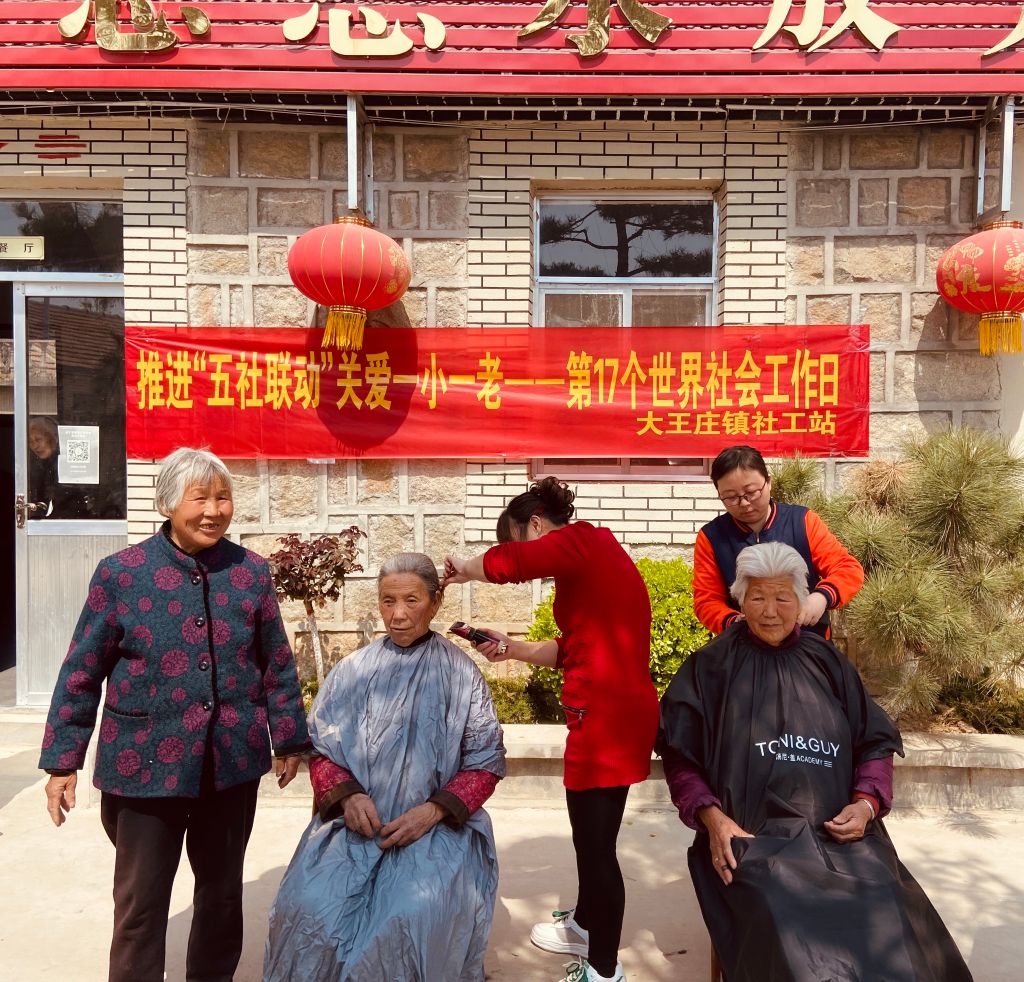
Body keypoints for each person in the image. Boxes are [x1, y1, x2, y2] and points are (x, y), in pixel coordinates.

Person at [39, 446, 310, 982]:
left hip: (230, 763)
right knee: (140, 903)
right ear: (167, 503)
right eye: (199, 498)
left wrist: (289, 738)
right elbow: (82, 670)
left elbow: (275, 662)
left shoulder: (250, 572)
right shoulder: (122, 574)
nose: (214, 510)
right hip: (143, 765)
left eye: (223, 497)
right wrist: (62, 761)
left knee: (221, 896)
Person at [658, 541, 973, 982]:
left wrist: (866, 804)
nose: (770, 611)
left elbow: (875, 741)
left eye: (782, 597)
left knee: (890, 912)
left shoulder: (828, 662)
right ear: (740, 600)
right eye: (758, 597)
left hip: (842, 835)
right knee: (794, 937)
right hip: (753, 841)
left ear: (801, 600)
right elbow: (680, 757)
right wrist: (714, 821)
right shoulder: (709, 669)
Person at [443, 477, 658, 982]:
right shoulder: (588, 564)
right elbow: (572, 649)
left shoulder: (584, 542)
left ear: (537, 526)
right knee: (590, 837)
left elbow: (511, 565)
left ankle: (604, 970)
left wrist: (463, 568)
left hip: (607, 721)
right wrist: (512, 648)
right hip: (608, 714)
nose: (520, 558)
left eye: (517, 540)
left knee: (597, 848)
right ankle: (585, 924)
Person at [264, 552, 507, 982]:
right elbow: (321, 749)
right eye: (387, 601)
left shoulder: (461, 675)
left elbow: (485, 763)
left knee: (411, 915)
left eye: (412, 601)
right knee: (306, 905)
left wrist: (433, 811)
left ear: (435, 602)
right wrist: (349, 797)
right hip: (355, 827)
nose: (397, 615)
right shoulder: (352, 671)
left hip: (436, 832)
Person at [693, 444, 863, 637]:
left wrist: (822, 597)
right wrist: (735, 623)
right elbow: (706, 601)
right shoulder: (712, 537)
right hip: (745, 642)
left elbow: (847, 568)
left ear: (769, 482)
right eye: (731, 497)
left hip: (808, 640)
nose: (744, 503)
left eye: (752, 492)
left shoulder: (802, 521)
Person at [27, 415, 88, 519]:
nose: (34, 446)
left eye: (38, 439)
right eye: (30, 441)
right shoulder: (35, 464)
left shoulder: (68, 462)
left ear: (53, 438)